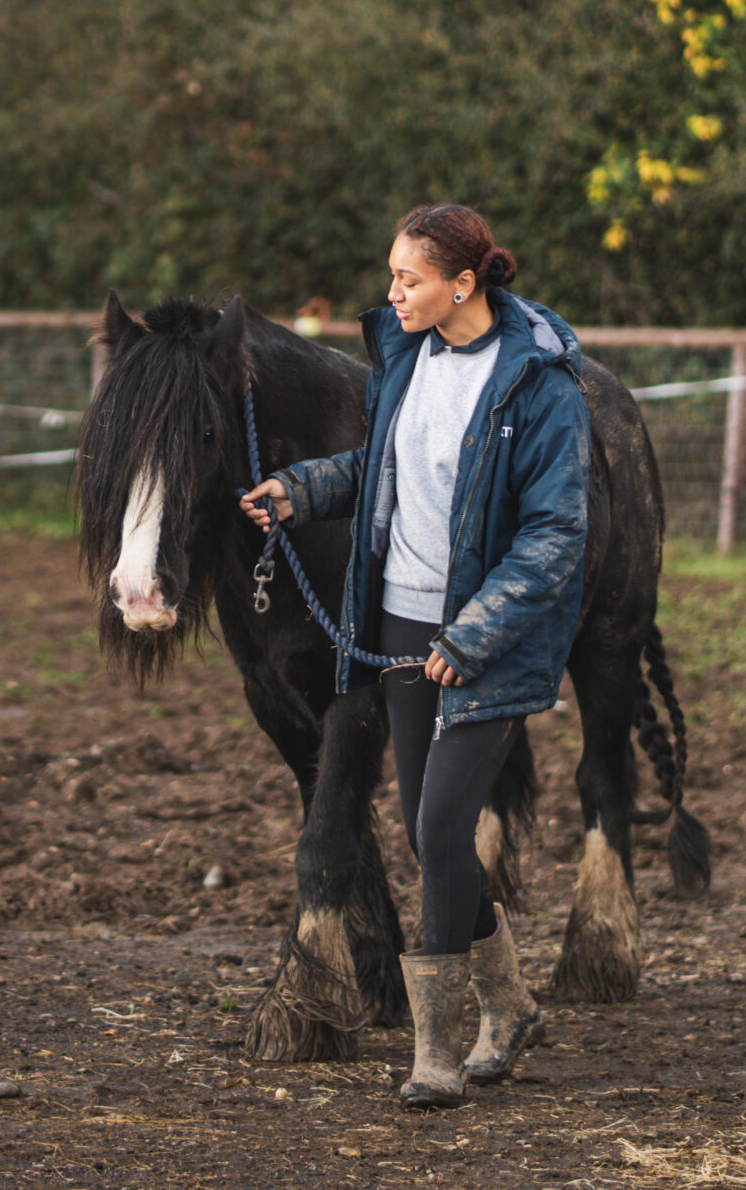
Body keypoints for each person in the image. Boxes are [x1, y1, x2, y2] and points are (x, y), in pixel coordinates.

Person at [241, 204, 591, 1108]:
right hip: (398, 626)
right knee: (429, 834)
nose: (391, 293)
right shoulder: (409, 358)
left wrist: (471, 634)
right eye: (391, 275)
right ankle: (509, 1007)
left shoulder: (539, 386)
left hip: (484, 638)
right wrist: (300, 488)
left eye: (408, 278)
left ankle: (436, 1044)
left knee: (441, 827)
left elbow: (556, 535)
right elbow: (380, 466)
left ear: (462, 284)